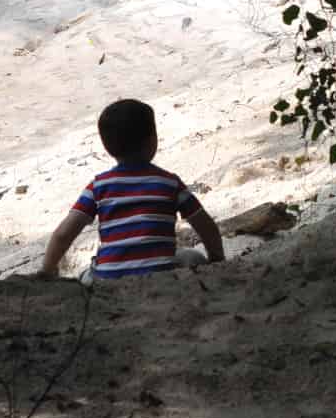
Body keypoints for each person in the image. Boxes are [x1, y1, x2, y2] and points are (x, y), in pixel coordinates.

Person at [40, 98, 225, 281]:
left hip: (108, 281)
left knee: (85, 276)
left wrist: (48, 270)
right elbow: (206, 226)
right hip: (164, 277)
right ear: (153, 141)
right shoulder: (170, 183)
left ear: (106, 147)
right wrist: (217, 260)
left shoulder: (98, 187)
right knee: (193, 257)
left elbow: (64, 233)